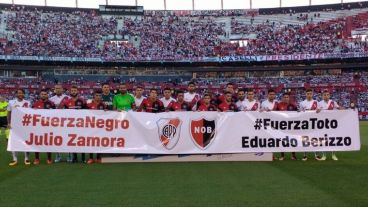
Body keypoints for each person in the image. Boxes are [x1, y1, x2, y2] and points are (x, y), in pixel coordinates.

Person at [59, 86, 87, 163]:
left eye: (75, 90)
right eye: (72, 90)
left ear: (77, 91)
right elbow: (64, 113)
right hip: (71, 125)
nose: (74, 92)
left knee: (82, 141)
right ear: (70, 92)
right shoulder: (67, 102)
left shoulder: (82, 101)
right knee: (73, 141)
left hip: (81, 125)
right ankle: (74, 157)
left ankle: (83, 158)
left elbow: (87, 112)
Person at [7, 89, 31, 166]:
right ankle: (14, 159)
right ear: (16, 94)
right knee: (13, 141)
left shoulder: (28, 102)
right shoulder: (11, 102)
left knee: (26, 142)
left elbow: (30, 113)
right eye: (18, 93)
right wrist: (8, 122)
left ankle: (26, 158)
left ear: (24, 94)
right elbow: (9, 113)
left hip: (25, 125)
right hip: (14, 125)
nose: (20, 94)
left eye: (22, 93)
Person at [317, 90, 343, 161]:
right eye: (324, 95)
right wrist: (317, 111)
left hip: (332, 124)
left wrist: (349, 110)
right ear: (322, 96)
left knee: (333, 139)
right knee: (323, 140)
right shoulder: (319, 103)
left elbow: (339, 108)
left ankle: (333, 155)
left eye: (327, 95)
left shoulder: (333, 102)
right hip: (323, 124)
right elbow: (316, 112)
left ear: (329, 95)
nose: (326, 96)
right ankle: (324, 155)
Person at [32, 90, 56, 165]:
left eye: (45, 94)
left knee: (48, 142)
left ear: (47, 95)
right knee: (36, 142)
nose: (43, 95)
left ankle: (49, 158)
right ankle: (36, 158)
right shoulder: (35, 104)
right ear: (40, 95)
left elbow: (56, 115)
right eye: (42, 94)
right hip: (38, 126)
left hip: (48, 126)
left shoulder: (51, 104)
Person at [299, 88, 322, 161]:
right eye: (308, 94)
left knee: (315, 138)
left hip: (314, 123)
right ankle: (305, 155)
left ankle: (316, 154)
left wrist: (319, 110)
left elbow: (320, 111)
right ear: (305, 94)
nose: (309, 95)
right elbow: (300, 113)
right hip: (305, 123)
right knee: (305, 138)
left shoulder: (316, 102)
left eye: (310, 94)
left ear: (312, 94)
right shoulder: (302, 103)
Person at [49, 84, 70, 163]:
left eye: (59, 88)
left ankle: (69, 155)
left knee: (68, 138)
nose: (58, 90)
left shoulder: (68, 98)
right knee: (57, 139)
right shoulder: (51, 99)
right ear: (54, 89)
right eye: (56, 88)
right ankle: (58, 155)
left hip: (67, 122)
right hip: (56, 123)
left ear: (62, 89)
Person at [86, 90, 107, 164]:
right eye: (97, 95)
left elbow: (106, 115)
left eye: (99, 96)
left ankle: (98, 157)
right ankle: (91, 158)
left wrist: (106, 111)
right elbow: (84, 113)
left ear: (101, 97)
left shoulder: (103, 105)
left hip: (100, 126)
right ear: (94, 96)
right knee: (91, 142)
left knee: (99, 141)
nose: (98, 97)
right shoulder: (89, 104)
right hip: (91, 126)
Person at [276, 93, 298, 161]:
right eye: (284, 97)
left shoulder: (293, 105)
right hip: (282, 127)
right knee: (282, 141)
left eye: (287, 97)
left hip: (291, 126)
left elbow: (298, 114)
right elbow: (274, 114)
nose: (286, 98)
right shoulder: (279, 105)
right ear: (282, 98)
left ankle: (293, 155)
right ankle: (282, 156)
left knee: (292, 141)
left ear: (289, 98)